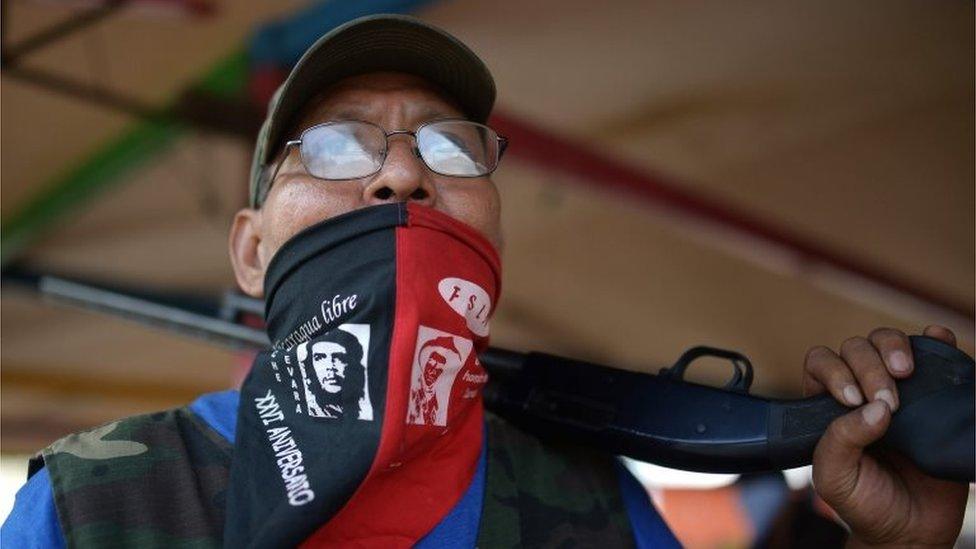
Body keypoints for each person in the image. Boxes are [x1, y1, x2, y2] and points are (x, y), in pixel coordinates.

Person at [2, 13, 968, 548]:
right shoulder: (99, 505)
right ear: (252, 249)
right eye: (333, 145)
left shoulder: (595, 506)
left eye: (449, 145)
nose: (401, 172)